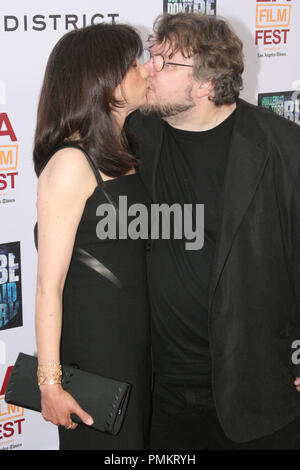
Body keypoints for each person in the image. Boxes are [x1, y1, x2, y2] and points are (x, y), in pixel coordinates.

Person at [127, 12, 300, 450]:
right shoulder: (135, 135)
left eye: (166, 63)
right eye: (153, 55)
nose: (149, 69)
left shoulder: (283, 147)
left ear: (205, 84)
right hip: (163, 393)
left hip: (258, 391)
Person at [33, 23, 151, 450]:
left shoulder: (128, 151)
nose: (145, 71)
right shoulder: (70, 163)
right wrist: (50, 383)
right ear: (104, 81)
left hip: (137, 349)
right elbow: (50, 285)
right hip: (96, 356)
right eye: (133, 65)